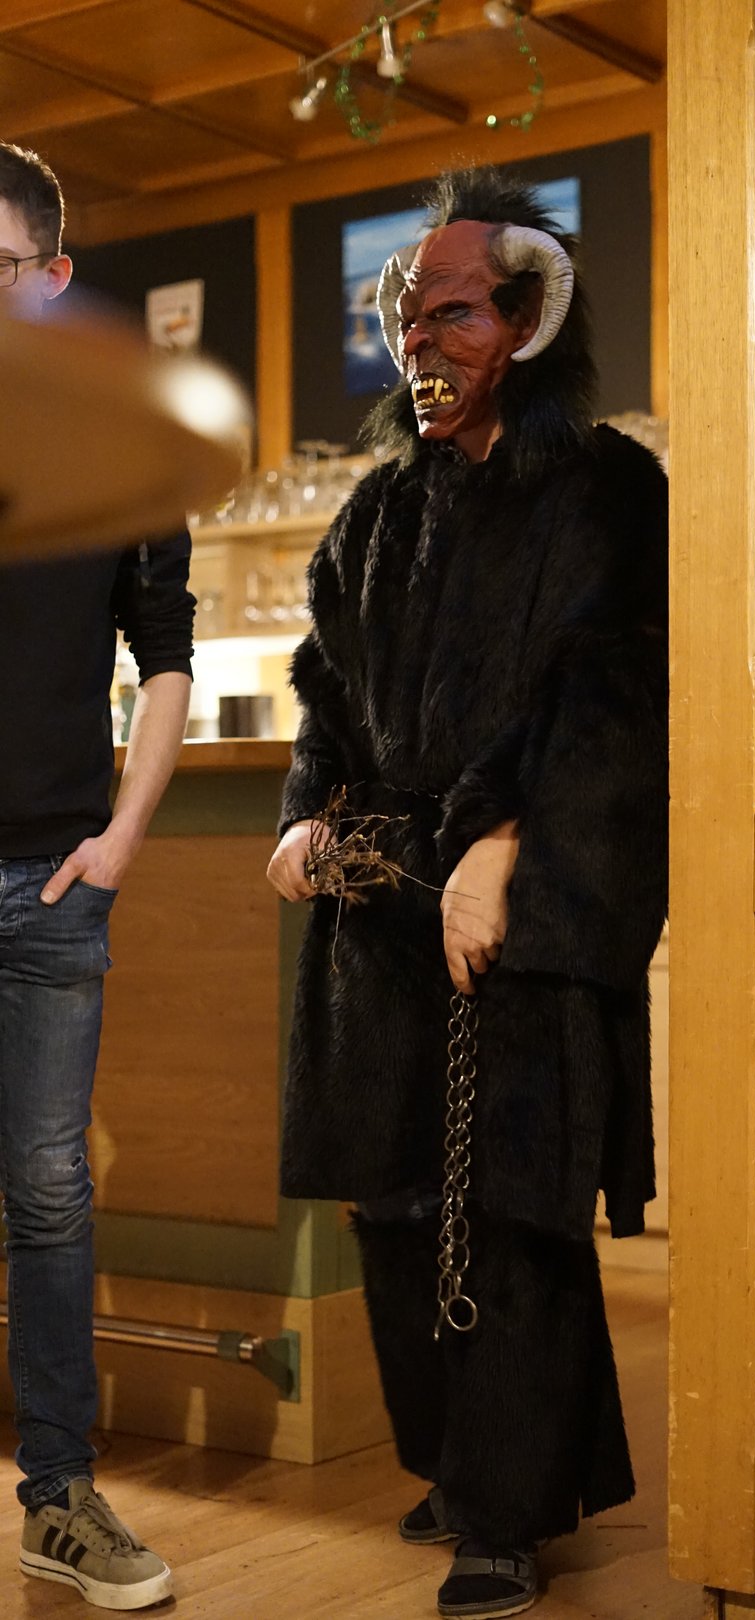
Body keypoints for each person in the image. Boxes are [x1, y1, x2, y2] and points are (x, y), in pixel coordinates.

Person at [266, 167, 667, 1619]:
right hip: (379, 918)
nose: (418, 344)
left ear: (528, 320)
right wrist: (304, 818)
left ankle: (507, 1511)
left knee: (509, 1208)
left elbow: (614, 695)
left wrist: (499, 844)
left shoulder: (609, 488)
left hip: (535, 904)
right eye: (407, 318)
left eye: (451, 316)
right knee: (393, 1206)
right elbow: (327, 693)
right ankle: (463, 1466)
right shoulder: (375, 513)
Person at [0, 142, 193, 1608]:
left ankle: (57, 1498)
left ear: (54, 278)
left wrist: (123, 836)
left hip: (54, 882)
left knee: (50, 1193)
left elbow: (166, 655)